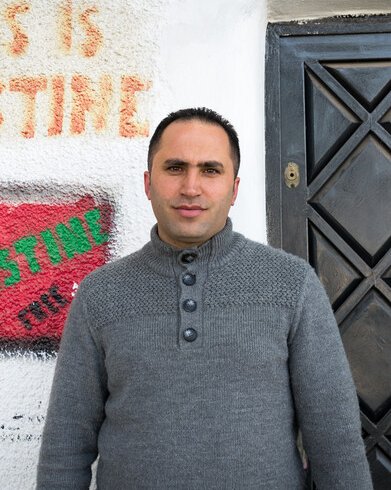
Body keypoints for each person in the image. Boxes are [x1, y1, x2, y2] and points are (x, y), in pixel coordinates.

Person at [36, 108, 372, 489]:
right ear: (148, 184)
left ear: (234, 189)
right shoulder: (100, 294)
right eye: (175, 168)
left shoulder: (291, 284)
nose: (191, 187)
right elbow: (66, 448)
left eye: (210, 170)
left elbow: (335, 444)